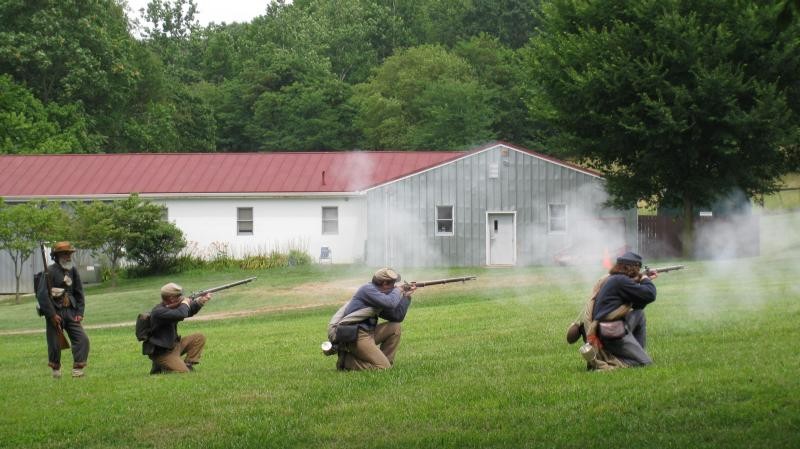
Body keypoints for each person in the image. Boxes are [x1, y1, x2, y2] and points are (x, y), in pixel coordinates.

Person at [567, 251, 658, 370]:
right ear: (631, 268)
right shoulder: (621, 281)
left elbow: (638, 305)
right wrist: (645, 279)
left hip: (606, 330)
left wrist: (642, 282)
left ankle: (637, 352)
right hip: (612, 333)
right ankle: (620, 361)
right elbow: (650, 294)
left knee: (639, 314)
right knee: (645, 363)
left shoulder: (614, 280)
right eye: (638, 268)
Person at [329, 268, 416, 371]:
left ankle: (385, 362)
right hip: (356, 336)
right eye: (393, 284)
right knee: (383, 368)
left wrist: (406, 297)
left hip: (368, 333)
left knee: (395, 327)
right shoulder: (367, 289)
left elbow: (397, 316)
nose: (395, 286)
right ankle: (346, 361)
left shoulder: (380, 296)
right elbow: (390, 303)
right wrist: (399, 290)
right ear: (384, 283)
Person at [35, 241, 90, 378]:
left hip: (71, 311)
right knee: (54, 343)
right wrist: (52, 315)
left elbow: (79, 293)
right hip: (55, 312)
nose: (68, 256)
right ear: (57, 256)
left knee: (82, 339)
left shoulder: (73, 270)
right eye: (65, 254)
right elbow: (42, 295)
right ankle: (56, 371)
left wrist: (79, 313)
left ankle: (78, 369)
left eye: (69, 254)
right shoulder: (50, 272)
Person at [146, 282, 211, 374]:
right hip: (163, 353)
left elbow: (188, 312)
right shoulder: (159, 312)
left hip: (174, 346)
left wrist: (200, 301)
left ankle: (188, 364)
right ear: (171, 298)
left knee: (198, 338)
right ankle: (160, 365)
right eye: (179, 296)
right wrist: (185, 303)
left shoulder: (169, 308)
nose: (181, 297)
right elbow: (181, 313)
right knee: (183, 372)